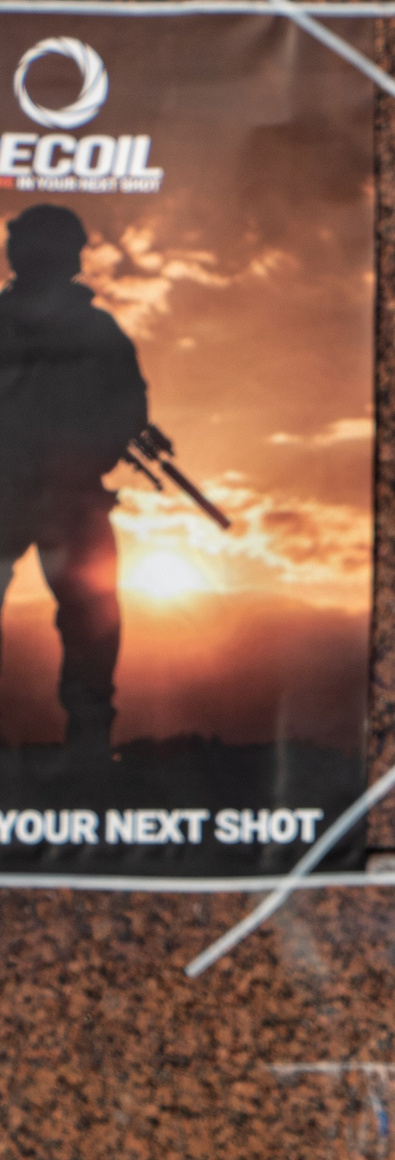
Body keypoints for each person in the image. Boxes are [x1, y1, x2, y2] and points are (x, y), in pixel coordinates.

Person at [0, 202, 146, 765]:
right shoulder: (94, 329)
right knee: (91, 622)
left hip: (63, 495)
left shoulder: (96, 330)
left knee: (91, 622)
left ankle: (89, 744)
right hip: (27, 492)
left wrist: (81, 462)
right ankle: (89, 744)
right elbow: (128, 407)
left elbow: (127, 409)